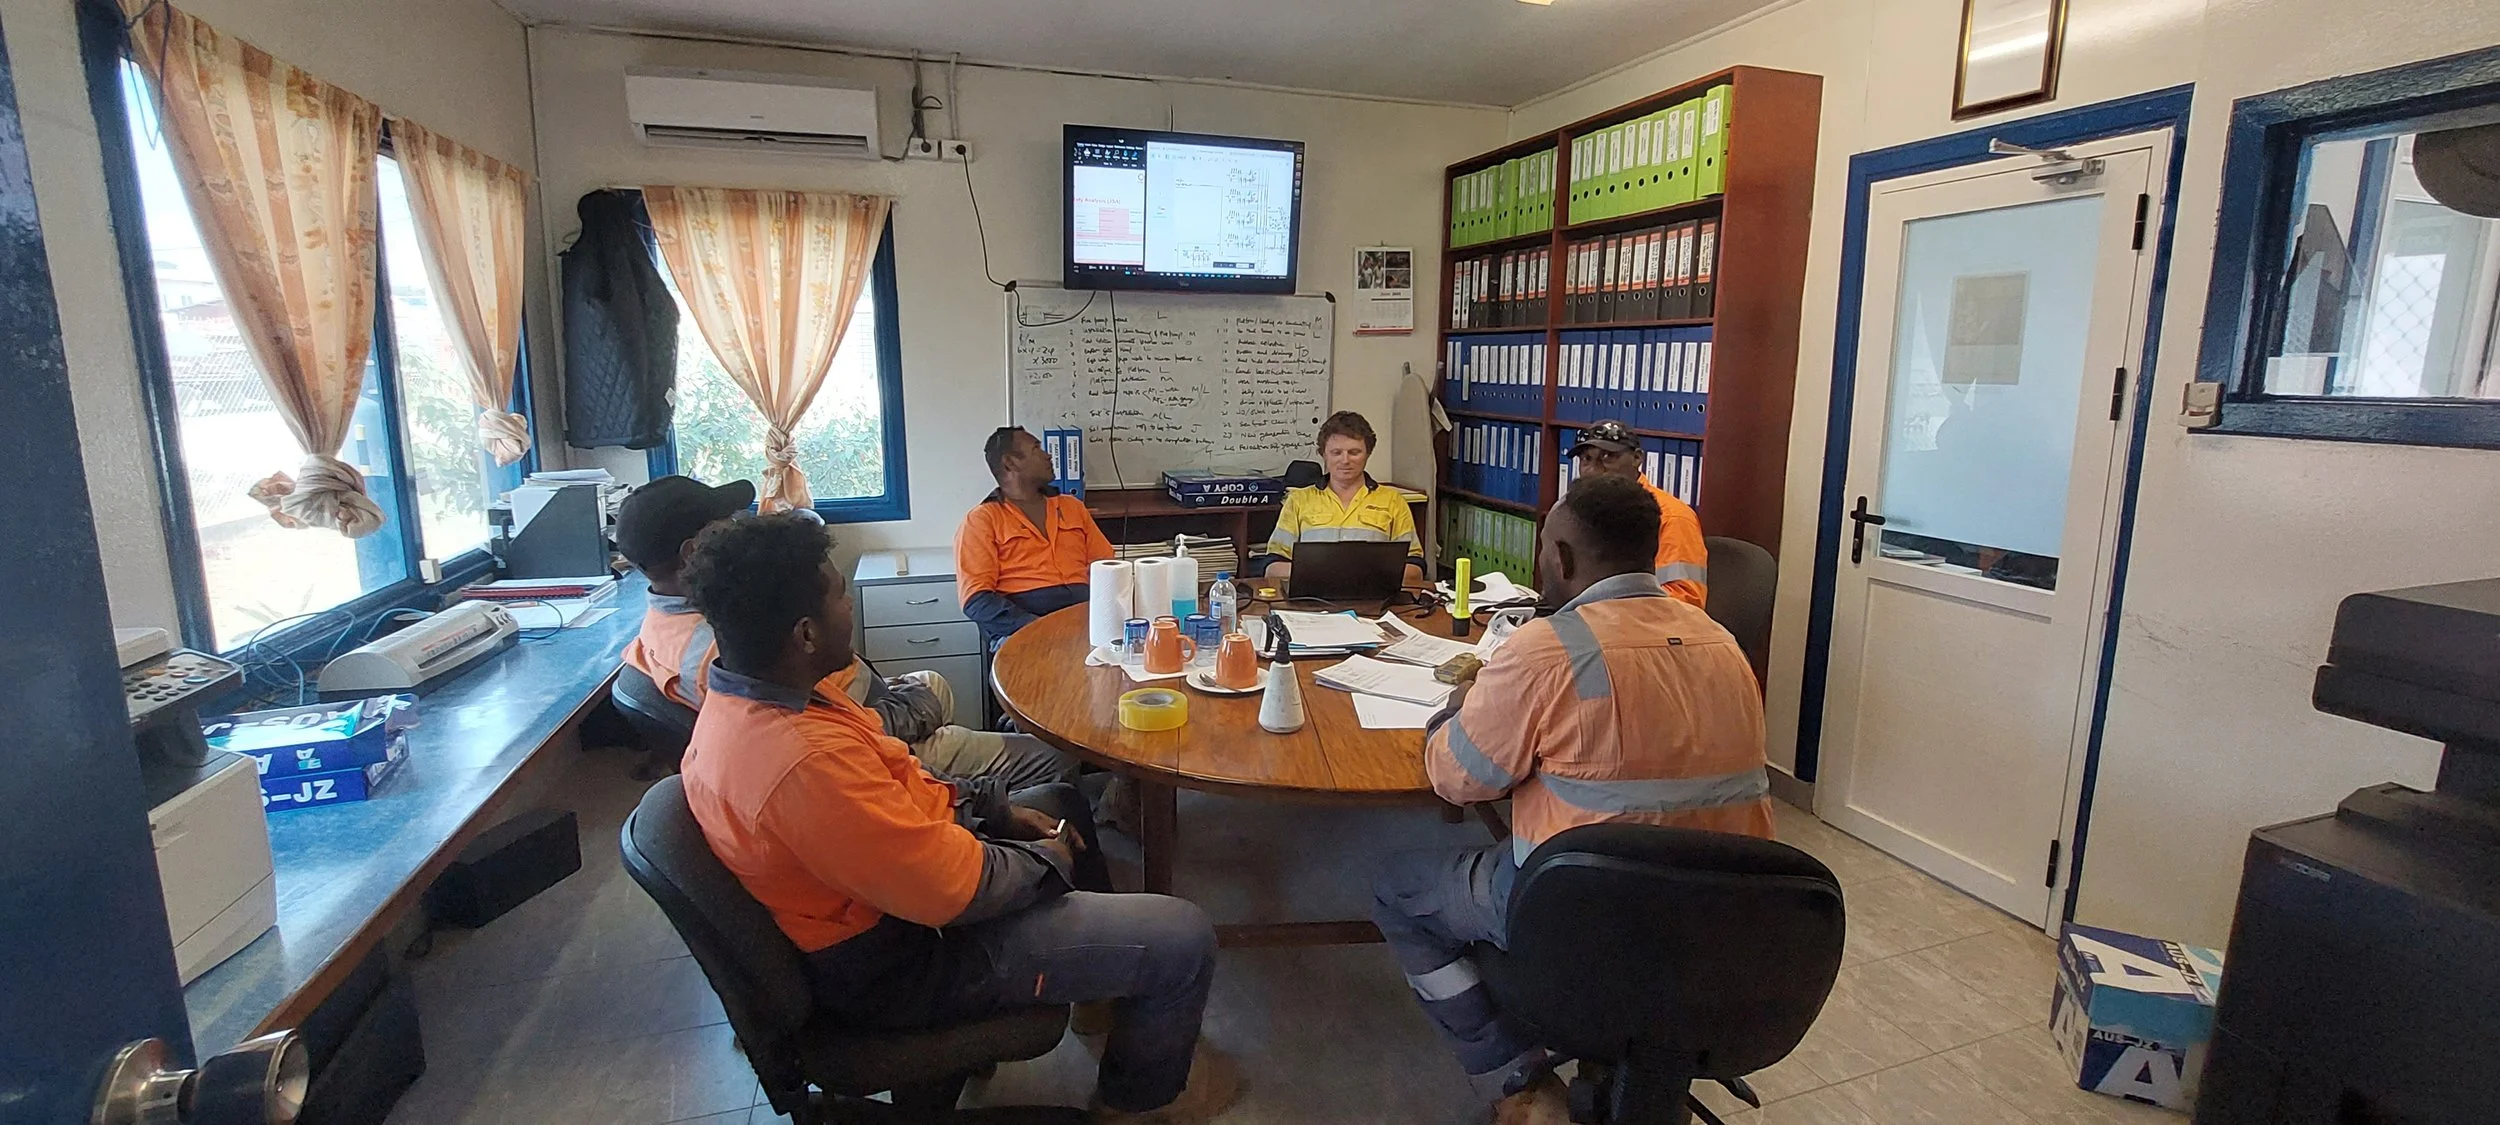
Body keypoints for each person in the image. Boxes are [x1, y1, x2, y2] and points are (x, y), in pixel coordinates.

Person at [678, 513, 1237, 1122]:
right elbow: (954, 889)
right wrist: (1044, 860)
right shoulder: (801, 762)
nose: (849, 607)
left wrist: (994, 809)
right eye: (840, 594)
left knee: (1060, 799)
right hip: (907, 963)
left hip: (898, 904)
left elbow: (903, 777)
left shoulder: (763, 697)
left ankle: (1102, 990)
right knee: (1183, 936)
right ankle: (1133, 1107)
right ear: (806, 634)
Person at [1370, 474, 1773, 1124]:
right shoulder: (1723, 644)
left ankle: (1516, 1082)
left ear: (1560, 557)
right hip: (1724, 920)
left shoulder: (1546, 648)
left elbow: (1455, 778)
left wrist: (1454, 713)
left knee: (1397, 888)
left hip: (1579, 915)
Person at [618, 474, 1077, 790]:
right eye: (726, 524)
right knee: (1060, 756)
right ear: (694, 552)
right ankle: (957, 767)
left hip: (863, 707)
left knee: (934, 683)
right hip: (868, 738)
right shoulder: (723, 650)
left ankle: (953, 749)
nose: (738, 526)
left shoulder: (665, 626)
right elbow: (834, 730)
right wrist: (910, 713)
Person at [957, 427, 1116, 644]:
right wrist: (1039, 628)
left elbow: (1107, 569)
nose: (1048, 455)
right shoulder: (982, 520)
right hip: (1022, 628)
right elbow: (976, 599)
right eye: (1036, 448)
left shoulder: (1072, 507)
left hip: (1084, 621)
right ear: (1010, 463)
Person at [1255, 411, 1425, 587]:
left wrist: (1366, 575)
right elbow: (1272, 568)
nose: (1345, 460)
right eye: (1336, 452)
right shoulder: (1298, 500)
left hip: (1374, 598)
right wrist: (1324, 574)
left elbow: (1416, 568)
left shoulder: (1393, 501)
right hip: (1311, 598)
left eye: (1354, 452)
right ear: (1324, 454)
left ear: (1368, 453)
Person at [1567, 419, 1709, 608]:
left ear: (1637, 458)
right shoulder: (1576, 511)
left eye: (1608, 457)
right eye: (1586, 459)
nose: (1593, 470)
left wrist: (1611, 607)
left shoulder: (1672, 516)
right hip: (1586, 615)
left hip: (1640, 621)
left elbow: (1687, 601)